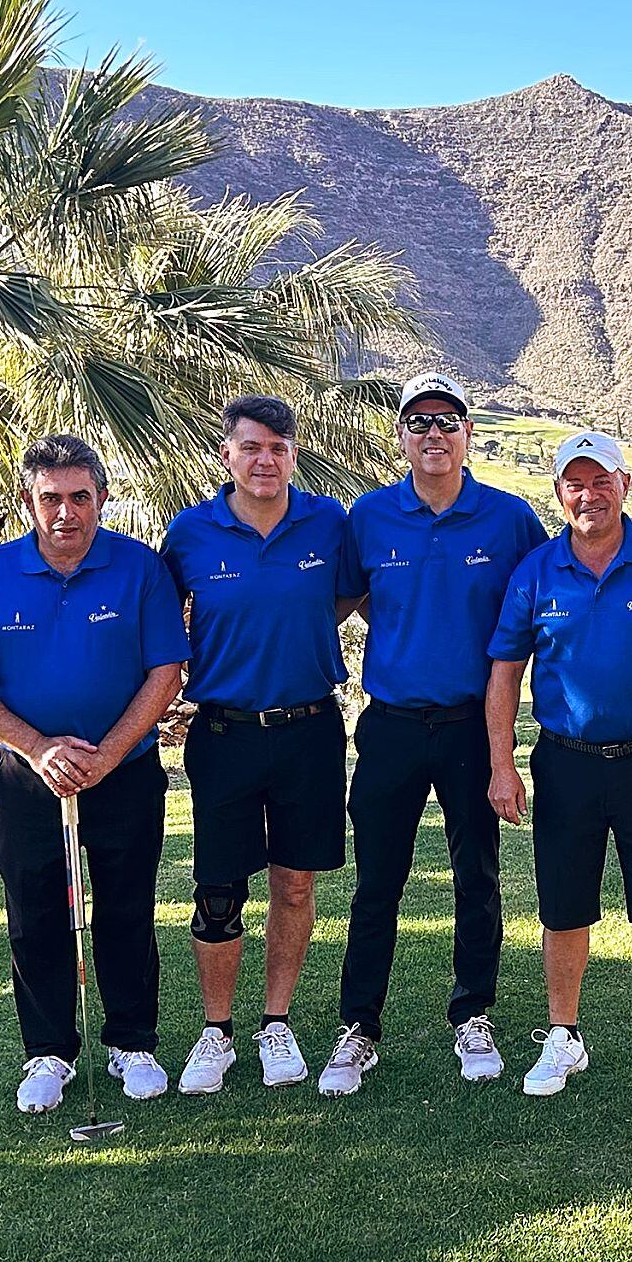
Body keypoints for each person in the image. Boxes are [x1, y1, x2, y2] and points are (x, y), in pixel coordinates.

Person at [0, 435, 188, 1113]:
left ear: (102, 498)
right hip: (27, 778)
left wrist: (105, 755)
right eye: (51, 498)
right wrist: (38, 747)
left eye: (81, 497)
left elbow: (165, 672)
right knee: (36, 913)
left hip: (125, 772)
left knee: (128, 908)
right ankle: (48, 1053)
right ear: (29, 502)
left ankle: (132, 1043)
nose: (67, 512)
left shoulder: (138, 569)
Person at [319, 373, 548, 1095]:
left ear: (468, 434)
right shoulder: (371, 515)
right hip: (388, 724)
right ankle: (359, 1027)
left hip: (471, 727)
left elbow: (546, 601)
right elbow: (350, 598)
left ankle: (472, 1015)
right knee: (376, 883)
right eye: (418, 422)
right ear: (401, 437)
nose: (433, 434)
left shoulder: (508, 519)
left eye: (447, 421)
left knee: (476, 878)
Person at [486, 430, 632, 1102]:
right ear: (560, 493)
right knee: (563, 912)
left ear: (625, 485)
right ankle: (563, 1036)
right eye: (575, 484)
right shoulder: (536, 570)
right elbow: (506, 671)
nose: (588, 495)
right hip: (566, 763)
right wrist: (501, 764)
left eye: (601, 481)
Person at [161, 396, 363, 1094]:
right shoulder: (190, 533)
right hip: (223, 732)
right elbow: (157, 627)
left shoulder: (328, 523)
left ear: (293, 454)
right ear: (228, 455)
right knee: (218, 890)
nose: (265, 459)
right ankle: (215, 1032)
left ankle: (275, 1022)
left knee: (295, 883)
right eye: (251, 447)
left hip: (309, 729)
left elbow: (344, 598)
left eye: (278, 447)